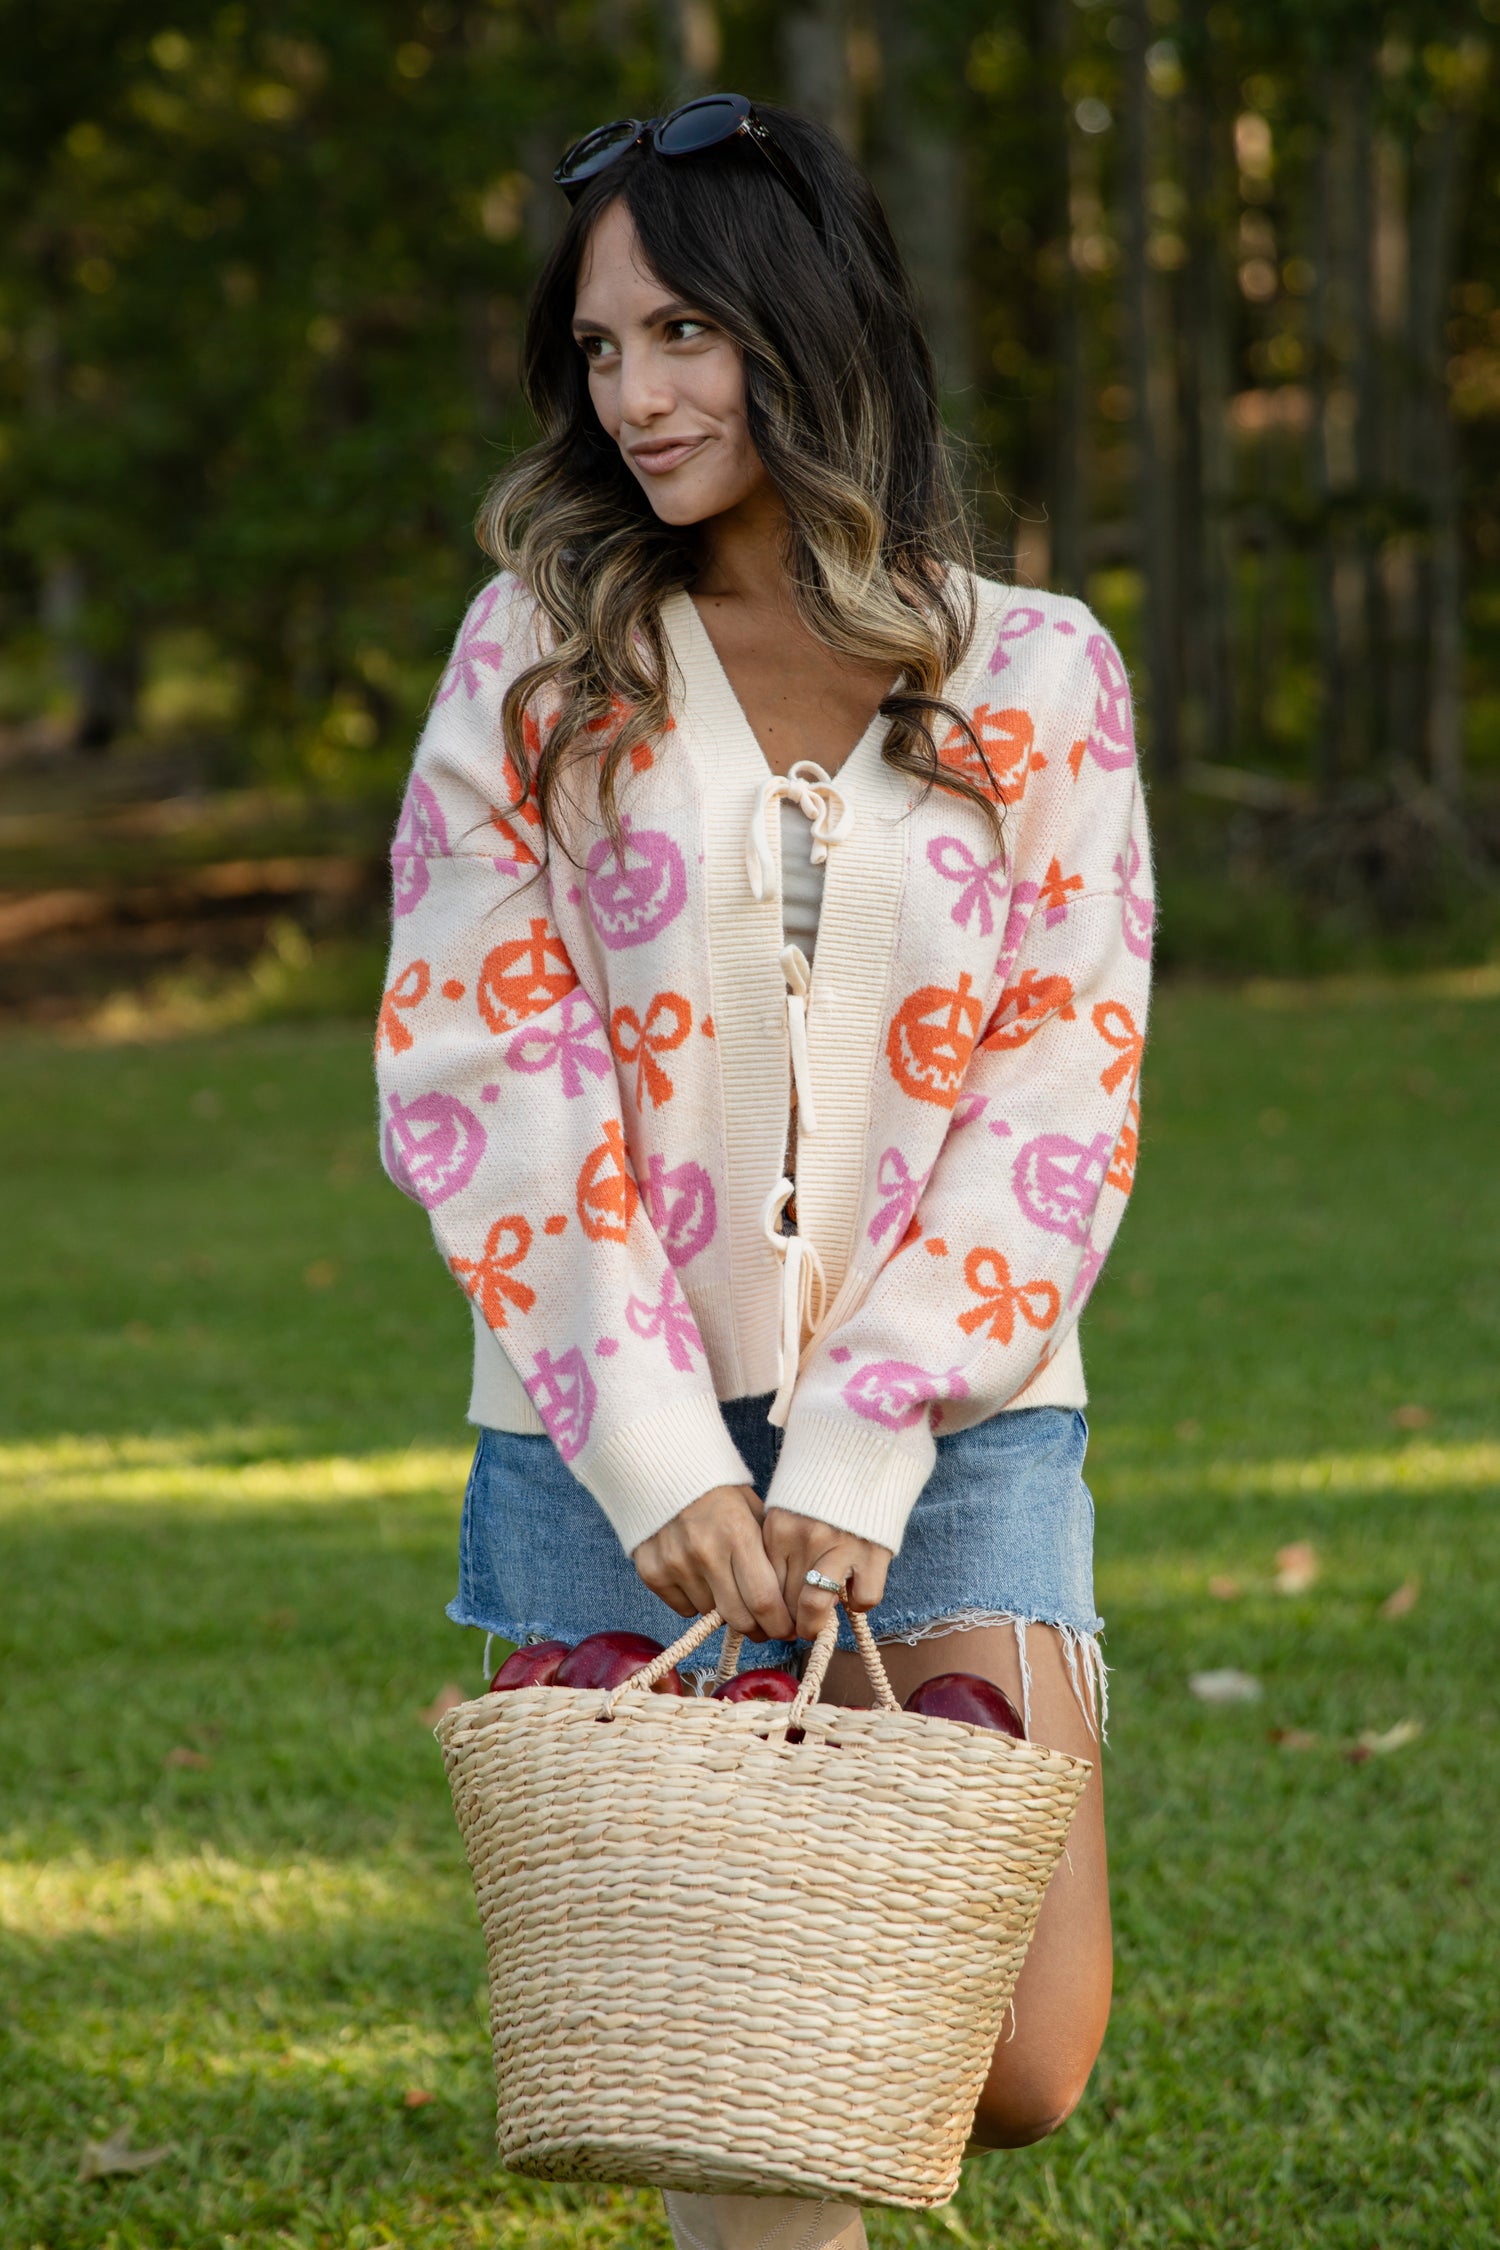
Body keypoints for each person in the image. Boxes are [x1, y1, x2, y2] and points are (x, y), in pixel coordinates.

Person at [376, 92, 1152, 2250]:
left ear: (810, 334)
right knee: (753, 2075)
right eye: (602, 347)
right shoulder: (534, 671)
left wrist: (862, 1437)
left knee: (1016, 2054)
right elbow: (485, 1066)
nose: (634, 394)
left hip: (963, 1429)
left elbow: (1062, 1084)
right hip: (613, 1435)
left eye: (686, 334)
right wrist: (659, 1461)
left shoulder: (1041, 673)